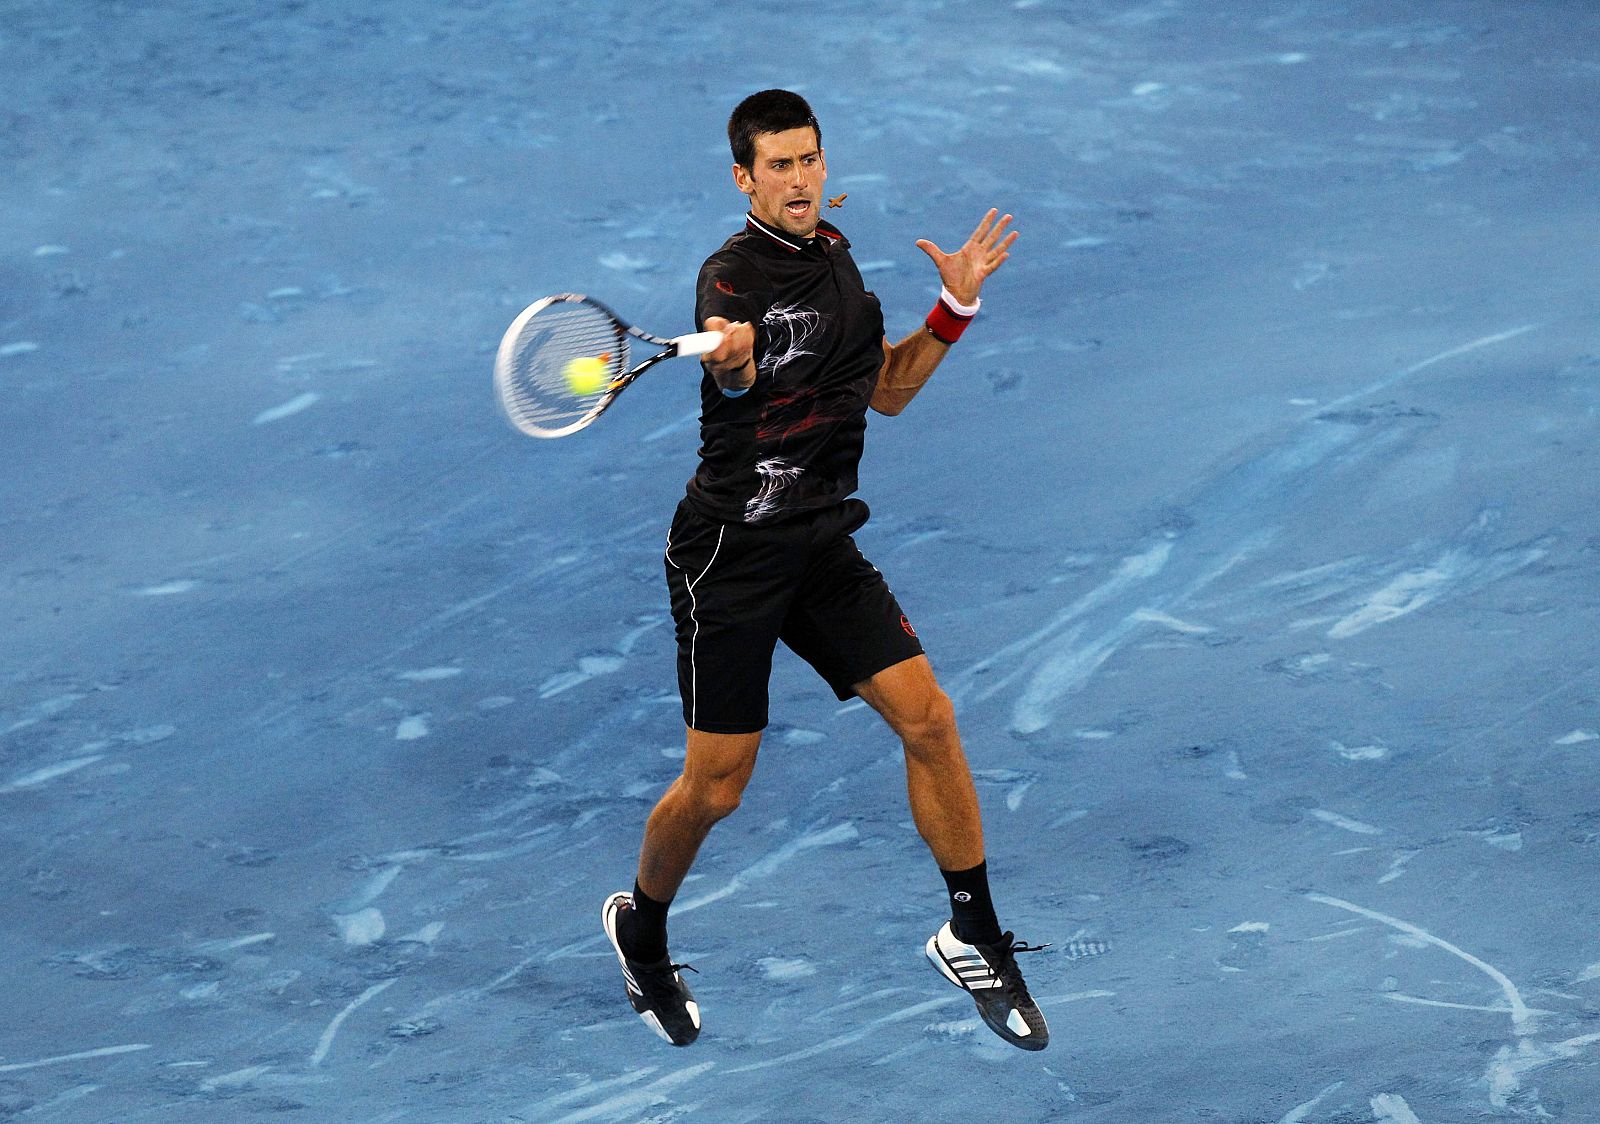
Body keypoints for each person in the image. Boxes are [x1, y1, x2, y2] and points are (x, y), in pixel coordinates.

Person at [602, 89, 1048, 1051]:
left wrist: (954, 306)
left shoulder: (838, 262)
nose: (801, 179)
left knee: (929, 717)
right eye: (780, 165)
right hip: (732, 555)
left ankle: (972, 935)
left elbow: (884, 392)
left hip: (821, 545)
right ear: (744, 178)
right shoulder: (728, 277)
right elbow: (732, 368)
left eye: (811, 160)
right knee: (717, 789)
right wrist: (732, 358)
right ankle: (640, 925)